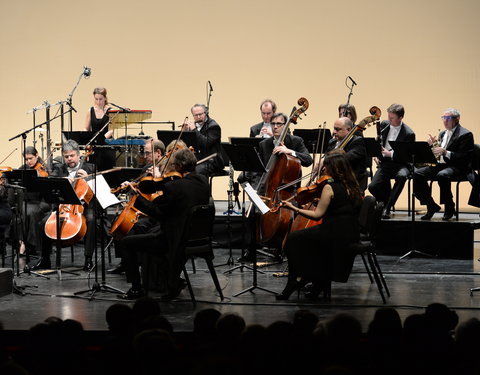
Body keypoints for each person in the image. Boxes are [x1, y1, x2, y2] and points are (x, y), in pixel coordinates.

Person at [118, 148, 210, 300]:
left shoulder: (174, 187)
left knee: (127, 242)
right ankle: (164, 281)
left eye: (173, 165)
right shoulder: (203, 182)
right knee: (146, 230)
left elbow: (157, 213)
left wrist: (136, 197)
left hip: (173, 240)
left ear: (179, 166)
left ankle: (136, 288)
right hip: (195, 238)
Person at [276, 152, 362, 300]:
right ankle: (317, 281)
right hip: (351, 232)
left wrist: (293, 208)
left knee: (293, 239)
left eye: (325, 167)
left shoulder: (329, 187)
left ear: (331, 168)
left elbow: (317, 215)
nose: (322, 170)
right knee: (309, 239)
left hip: (334, 232)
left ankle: (295, 280)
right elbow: (342, 206)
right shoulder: (352, 184)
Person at [34, 139, 96, 270]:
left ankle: (88, 259)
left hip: (84, 207)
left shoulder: (90, 168)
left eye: (72, 156)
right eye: (66, 156)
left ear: (79, 155)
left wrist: (89, 178)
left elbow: (98, 190)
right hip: (64, 207)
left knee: (91, 219)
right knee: (43, 223)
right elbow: (51, 181)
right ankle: (45, 259)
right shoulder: (59, 169)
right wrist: (61, 181)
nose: (69, 159)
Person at [108, 138, 166, 274]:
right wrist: (130, 185)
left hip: (157, 211)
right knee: (119, 220)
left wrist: (159, 177)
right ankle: (125, 261)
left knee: (136, 225)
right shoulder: (146, 169)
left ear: (158, 152)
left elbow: (166, 192)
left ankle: (138, 262)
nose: (144, 157)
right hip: (144, 207)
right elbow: (140, 187)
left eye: (147, 153)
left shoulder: (167, 168)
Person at [413, 108, 474, 220]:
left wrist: (446, 152)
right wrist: (432, 145)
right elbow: (438, 153)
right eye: (443, 118)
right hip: (442, 165)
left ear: (457, 119)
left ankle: (449, 206)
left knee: (442, 175)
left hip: (458, 166)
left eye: (448, 118)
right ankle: (430, 205)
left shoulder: (466, 134)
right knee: (417, 174)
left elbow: (464, 157)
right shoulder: (442, 133)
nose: (445, 121)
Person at [367, 103, 415, 219]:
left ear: (400, 118)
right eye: (389, 117)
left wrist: (391, 154)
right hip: (386, 163)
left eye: (392, 118)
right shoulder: (384, 124)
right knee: (372, 187)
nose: (389, 120)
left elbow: (407, 156)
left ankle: (387, 207)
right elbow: (379, 142)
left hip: (401, 164)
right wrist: (376, 154)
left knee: (402, 176)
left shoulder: (409, 133)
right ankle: (385, 201)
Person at [16, 146, 51, 256]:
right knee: (25, 209)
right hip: (29, 201)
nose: (28, 162)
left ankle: (27, 244)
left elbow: (48, 187)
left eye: (30, 158)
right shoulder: (23, 168)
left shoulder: (44, 168)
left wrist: (40, 177)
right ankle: (27, 243)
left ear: (36, 156)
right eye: (26, 159)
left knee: (29, 212)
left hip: (41, 201)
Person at [325, 117, 368, 192]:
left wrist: (329, 159)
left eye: (338, 129)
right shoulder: (332, 142)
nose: (334, 132)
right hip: (334, 179)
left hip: (351, 182)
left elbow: (347, 158)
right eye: (334, 128)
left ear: (349, 130)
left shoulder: (358, 142)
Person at [181, 104, 224, 176]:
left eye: (200, 114)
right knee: (180, 169)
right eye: (195, 115)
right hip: (197, 160)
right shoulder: (194, 126)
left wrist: (194, 129)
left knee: (195, 171)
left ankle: (201, 187)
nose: (198, 117)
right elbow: (186, 144)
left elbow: (205, 144)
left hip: (211, 161)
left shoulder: (213, 126)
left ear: (206, 113)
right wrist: (185, 131)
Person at [84, 87, 116, 171]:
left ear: (105, 98)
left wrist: (101, 139)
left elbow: (111, 130)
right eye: (96, 99)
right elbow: (86, 128)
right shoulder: (90, 111)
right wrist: (85, 139)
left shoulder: (111, 111)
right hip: (95, 146)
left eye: (100, 99)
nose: (98, 102)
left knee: (107, 171)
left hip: (107, 145)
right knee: (94, 170)